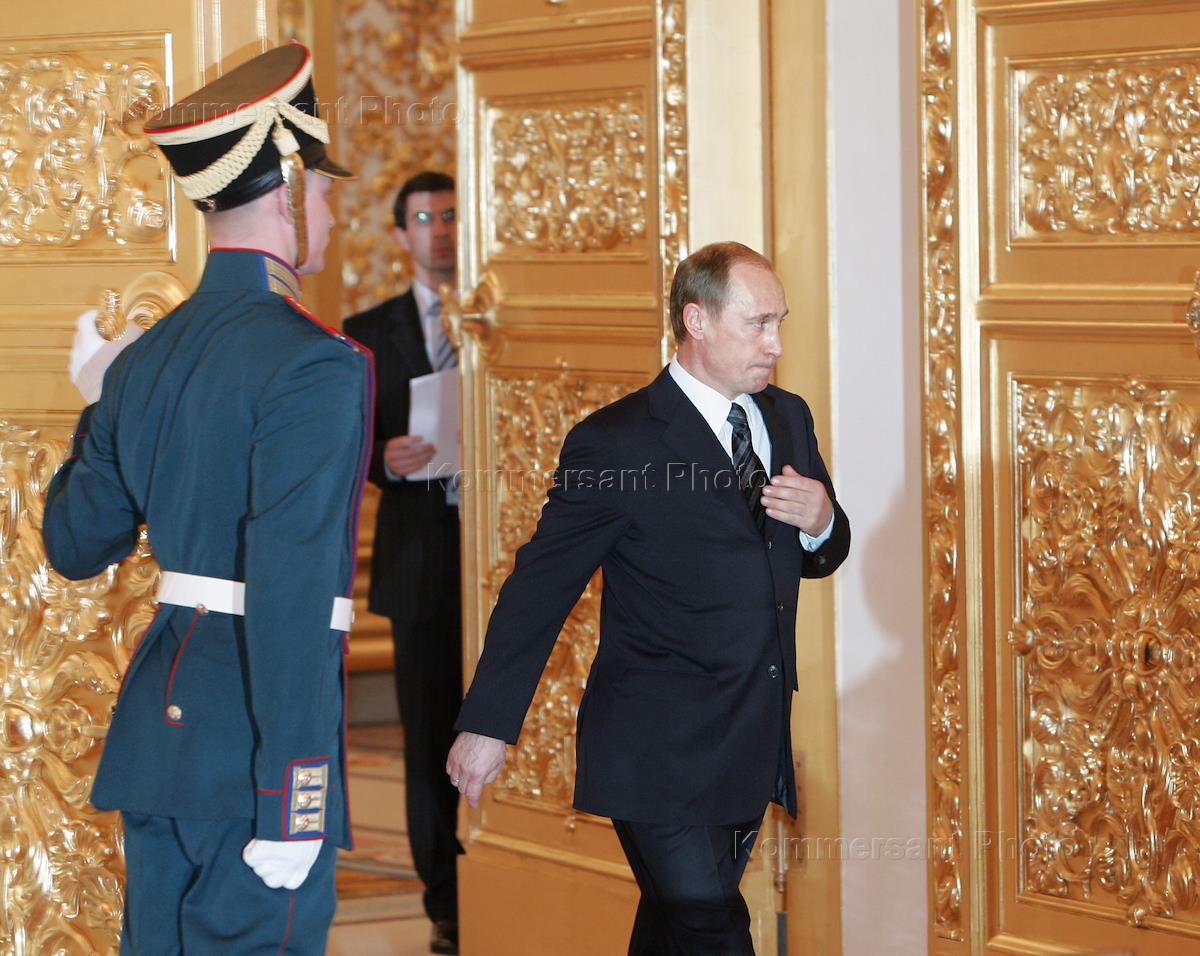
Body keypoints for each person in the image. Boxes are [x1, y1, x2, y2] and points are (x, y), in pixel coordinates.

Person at [42, 44, 370, 955]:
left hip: (161, 748)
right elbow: (291, 586)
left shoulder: (144, 359)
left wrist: (103, 399)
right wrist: (296, 796)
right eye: (325, 191)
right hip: (254, 754)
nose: (333, 214)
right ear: (289, 190)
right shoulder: (316, 364)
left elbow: (74, 542)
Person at [447, 242, 852, 955]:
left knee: (675, 929)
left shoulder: (788, 417)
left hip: (749, 739)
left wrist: (822, 520)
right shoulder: (616, 444)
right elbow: (540, 588)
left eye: (780, 323)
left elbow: (816, 554)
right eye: (758, 324)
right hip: (655, 750)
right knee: (712, 927)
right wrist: (488, 724)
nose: (776, 344)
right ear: (696, 320)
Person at [342, 171, 461, 955]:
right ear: (400, 234)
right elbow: (343, 442)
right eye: (424, 218)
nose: (440, 230)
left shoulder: (501, 314)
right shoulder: (367, 329)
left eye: (450, 215)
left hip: (500, 558)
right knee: (427, 738)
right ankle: (446, 903)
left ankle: (518, 875)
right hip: (419, 559)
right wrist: (382, 457)